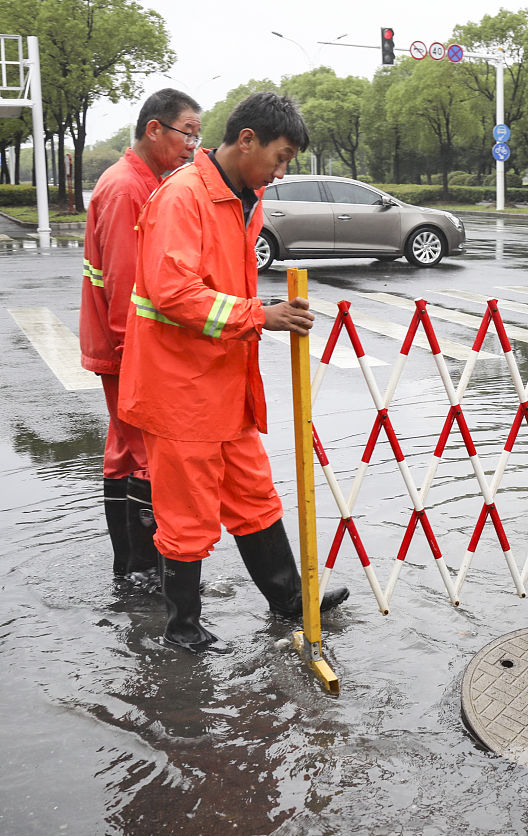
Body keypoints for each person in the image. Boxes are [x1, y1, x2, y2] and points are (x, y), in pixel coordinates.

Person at [119, 92, 348, 653]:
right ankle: (183, 629)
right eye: (282, 155)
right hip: (180, 389)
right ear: (247, 139)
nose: (282, 169)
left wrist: (257, 315)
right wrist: (259, 316)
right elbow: (173, 292)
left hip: (224, 381)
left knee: (252, 493)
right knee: (188, 514)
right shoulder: (184, 197)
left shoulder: (247, 197)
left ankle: (289, 598)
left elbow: (219, 282)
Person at [81, 88, 202, 588]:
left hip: (120, 349)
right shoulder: (128, 188)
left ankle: (133, 569)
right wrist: (141, 363)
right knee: (147, 458)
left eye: (198, 135)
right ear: (155, 129)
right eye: (187, 133)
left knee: (126, 452)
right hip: (127, 349)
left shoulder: (143, 180)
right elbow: (127, 288)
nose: (193, 145)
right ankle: (146, 571)